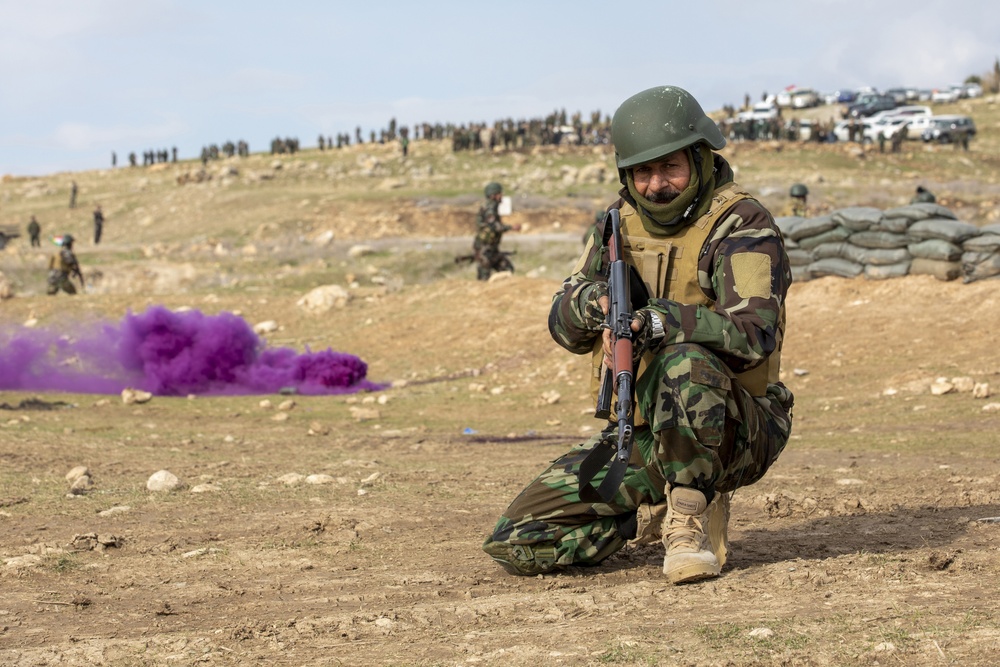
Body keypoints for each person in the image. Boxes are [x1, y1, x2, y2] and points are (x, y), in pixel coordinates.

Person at [482, 85, 794, 585]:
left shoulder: (742, 224)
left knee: (684, 360)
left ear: (700, 158)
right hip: (646, 430)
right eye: (642, 172)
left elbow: (754, 334)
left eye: (670, 167)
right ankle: (646, 508)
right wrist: (595, 306)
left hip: (737, 428)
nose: (656, 185)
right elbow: (562, 323)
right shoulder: (615, 226)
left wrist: (659, 322)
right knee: (517, 539)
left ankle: (689, 519)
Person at [472, 182, 520, 280]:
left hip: (491, 248)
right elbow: (494, 226)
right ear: (493, 195)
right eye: (499, 194)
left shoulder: (491, 206)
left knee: (506, 268)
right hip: (485, 248)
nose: (501, 196)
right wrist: (511, 228)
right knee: (484, 276)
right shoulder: (490, 207)